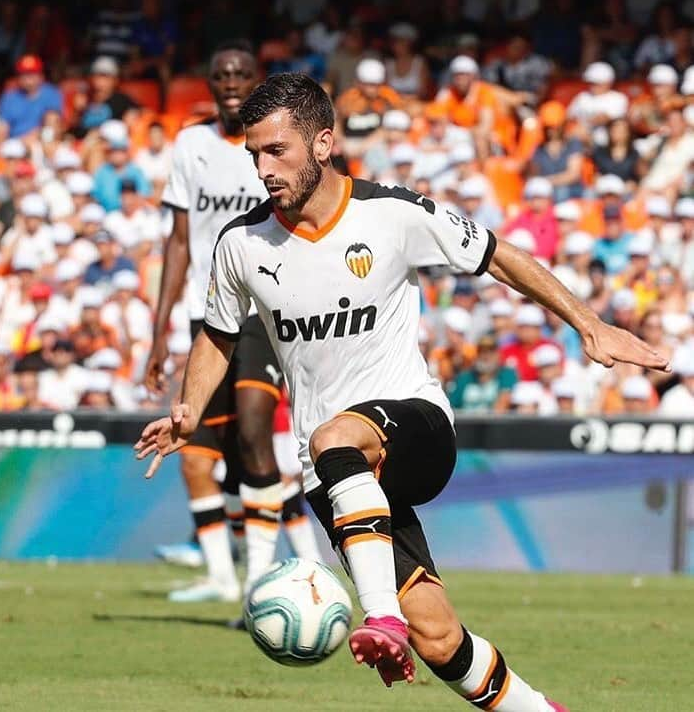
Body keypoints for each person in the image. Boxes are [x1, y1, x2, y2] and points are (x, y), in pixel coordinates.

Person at [135, 72, 669, 707]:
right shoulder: (241, 245)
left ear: (323, 142)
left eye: (277, 150)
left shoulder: (392, 213)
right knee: (438, 638)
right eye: (254, 153)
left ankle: (380, 619)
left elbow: (500, 255)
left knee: (337, 437)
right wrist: (191, 409)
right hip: (332, 474)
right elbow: (218, 335)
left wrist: (590, 323)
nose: (263, 168)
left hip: (414, 428)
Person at [143, 41, 319, 603]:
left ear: (256, 79)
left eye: (242, 72)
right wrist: (159, 332)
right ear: (209, 80)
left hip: (264, 314)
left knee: (252, 434)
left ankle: (259, 586)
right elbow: (177, 242)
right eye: (221, 73)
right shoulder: (191, 144)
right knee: (196, 449)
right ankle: (227, 579)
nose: (231, 81)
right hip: (207, 312)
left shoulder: (273, 146)